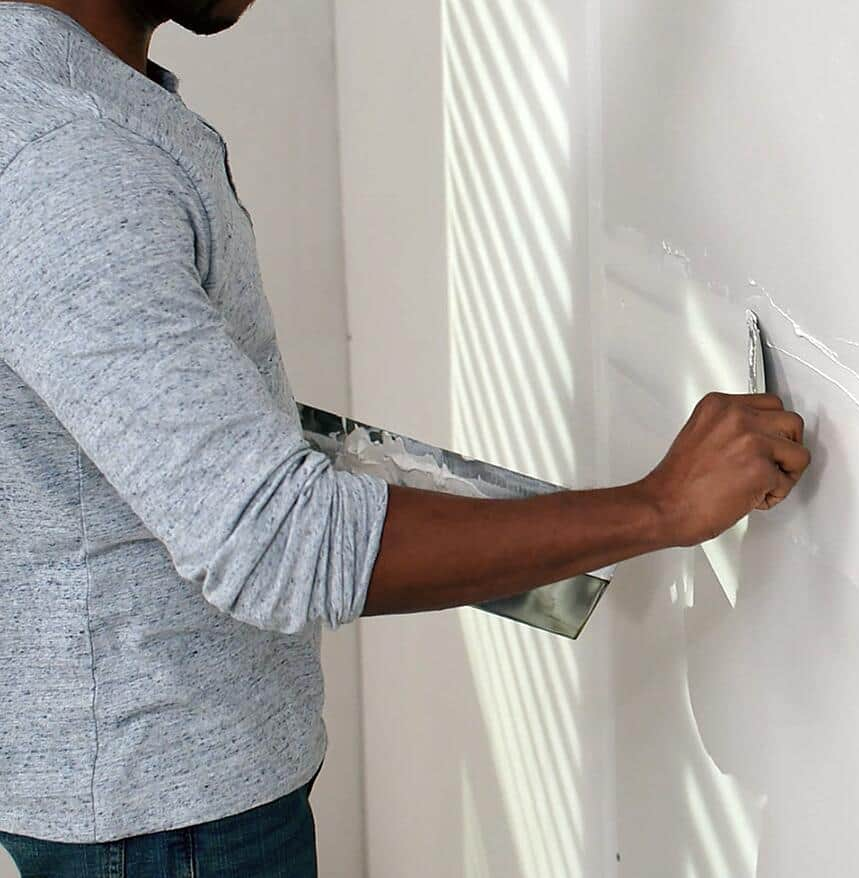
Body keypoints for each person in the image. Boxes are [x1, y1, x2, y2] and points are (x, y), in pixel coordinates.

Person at [0, 1, 811, 875]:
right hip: (169, 820)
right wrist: (656, 508)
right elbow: (273, 542)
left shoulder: (67, 109)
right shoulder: (70, 158)